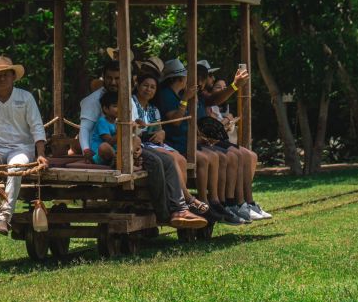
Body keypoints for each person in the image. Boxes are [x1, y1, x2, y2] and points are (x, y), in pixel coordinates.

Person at [79, 60, 205, 229]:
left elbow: (135, 131)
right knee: (155, 162)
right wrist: (86, 150)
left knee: (167, 160)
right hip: (108, 148)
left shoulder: (127, 99)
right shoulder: (92, 101)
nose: (113, 82)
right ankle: (165, 214)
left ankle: (179, 209)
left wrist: (138, 144)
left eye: (117, 78)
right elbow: (85, 129)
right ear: (104, 78)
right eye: (109, 78)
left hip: (130, 146)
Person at [157, 59, 244, 226]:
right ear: (179, 79)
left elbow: (194, 120)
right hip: (176, 142)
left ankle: (218, 201)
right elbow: (175, 121)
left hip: (188, 139)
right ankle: (205, 202)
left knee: (220, 157)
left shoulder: (181, 93)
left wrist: (201, 135)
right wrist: (186, 99)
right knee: (205, 159)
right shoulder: (168, 95)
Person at [0, 55, 49, 234]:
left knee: (15, 168)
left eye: (5, 75)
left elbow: (36, 127)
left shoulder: (26, 98)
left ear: (13, 76)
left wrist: (40, 154)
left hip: (21, 148)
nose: (1, 79)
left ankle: (5, 216)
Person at [197, 60, 271, 220]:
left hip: (209, 140)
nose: (211, 79)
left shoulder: (201, 96)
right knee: (233, 157)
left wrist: (236, 85)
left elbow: (214, 101)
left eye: (209, 76)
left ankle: (245, 202)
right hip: (200, 143)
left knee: (249, 155)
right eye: (208, 76)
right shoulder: (191, 96)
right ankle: (228, 203)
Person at [133, 72, 209, 216]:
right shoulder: (131, 103)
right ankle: (188, 200)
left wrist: (162, 134)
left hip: (154, 142)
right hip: (141, 142)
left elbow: (160, 129)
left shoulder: (153, 109)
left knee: (180, 159)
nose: (148, 89)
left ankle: (183, 202)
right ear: (137, 85)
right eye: (145, 86)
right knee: (172, 159)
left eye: (152, 87)